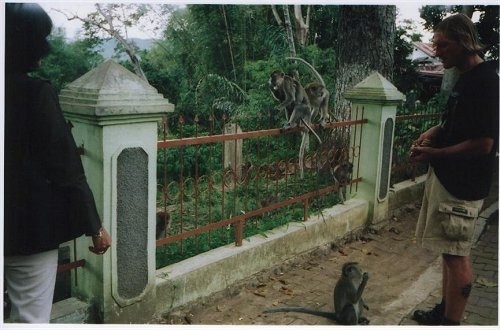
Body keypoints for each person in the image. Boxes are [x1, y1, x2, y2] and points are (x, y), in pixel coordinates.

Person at [4, 3, 112, 323]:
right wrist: (94, 227)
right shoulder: (34, 93)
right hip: (27, 232)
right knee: (29, 318)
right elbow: (66, 168)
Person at [410, 14, 498, 325]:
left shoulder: (486, 81)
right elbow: (460, 125)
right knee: (449, 251)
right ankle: (444, 311)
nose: (437, 51)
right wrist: (435, 131)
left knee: (457, 254)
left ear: (463, 42)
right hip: (450, 179)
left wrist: (437, 152)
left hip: (463, 186)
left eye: (443, 45)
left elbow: (484, 143)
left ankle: (452, 322)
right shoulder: (466, 76)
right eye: (435, 45)